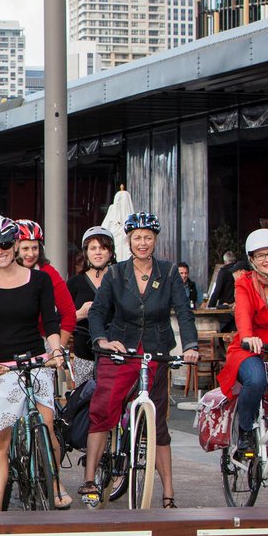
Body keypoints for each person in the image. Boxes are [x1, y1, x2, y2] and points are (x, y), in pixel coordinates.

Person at [81, 212, 199, 509]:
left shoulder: (169, 272)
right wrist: (103, 340)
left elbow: (183, 312)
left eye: (148, 237)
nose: (143, 243)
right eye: (137, 238)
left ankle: (168, 493)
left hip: (157, 350)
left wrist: (191, 346)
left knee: (158, 422)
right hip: (120, 349)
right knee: (104, 408)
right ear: (129, 241)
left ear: (155, 240)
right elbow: (97, 312)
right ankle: (90, 478)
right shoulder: (116, 273)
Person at [0, 218, 69, 512]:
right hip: (3, 364)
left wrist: (56, 350)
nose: (0, 251)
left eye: (5, 244)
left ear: (15, 245)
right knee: (0, 439)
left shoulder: (39, 280)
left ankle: (54, 482)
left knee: (47, 424)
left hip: (36, 361)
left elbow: (51, 321)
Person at [220, 229, 268, 458]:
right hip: (251, 347)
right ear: (252, 260)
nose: (267, 259)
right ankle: (246, 431)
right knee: (256, 379)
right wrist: (248, 337)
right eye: (260, 255)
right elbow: (243, 314)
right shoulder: (244, 284)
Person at [14, 220, 76, 348]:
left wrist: (59, 350)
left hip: (42, 343)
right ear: (14, 248)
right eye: (25, 248)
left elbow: (69, 314)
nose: (31, 254)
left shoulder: (48, 272)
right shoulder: (2, 273)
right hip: (7, 344)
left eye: (35, 248)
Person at [66, 226, 115, 385]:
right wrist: (80, 313)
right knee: (84, 400)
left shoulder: (120, 281)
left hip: (115, 353)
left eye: (103, 248)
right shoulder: (75, 282)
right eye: (93, 248)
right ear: (86, 252)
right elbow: (60, 319)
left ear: (110, 252)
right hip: (84, 354)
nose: (98, 252)